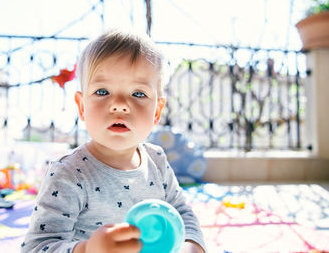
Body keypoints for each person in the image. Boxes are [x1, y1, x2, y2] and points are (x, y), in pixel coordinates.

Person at [21, 29, 207, 253]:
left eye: (138, 94)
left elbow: (182, 214)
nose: (119, 104)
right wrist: (87, 249)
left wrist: (191, 246)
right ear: (82, 107)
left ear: (157, 111)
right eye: (102, 91)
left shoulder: (156, 160)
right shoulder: (68, 173)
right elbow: (37, 247)